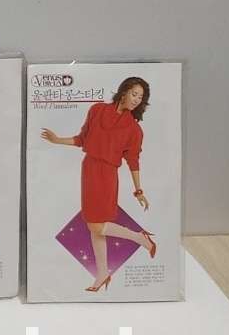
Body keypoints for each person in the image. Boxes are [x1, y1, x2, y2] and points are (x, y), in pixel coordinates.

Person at [41, 76, 155, 292]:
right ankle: (102, 273)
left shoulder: (134, 129)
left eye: (140, 98)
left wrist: (138, 190)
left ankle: (139, 238)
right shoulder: (97, 110)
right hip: (89, 169)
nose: (136, 100)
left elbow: (133, 160)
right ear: (124, 91)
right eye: (134, 94)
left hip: (107, 175)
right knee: (93, 225)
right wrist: (57, 140)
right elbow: (82, 139)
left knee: (96, 224)